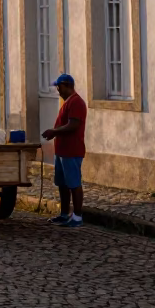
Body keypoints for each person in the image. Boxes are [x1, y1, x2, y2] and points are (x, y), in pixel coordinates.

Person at [41, 73, 87, 228]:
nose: (58, 90)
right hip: (62, 150)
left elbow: (73, 125)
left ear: (67, 85)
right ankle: (64, 214)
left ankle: (77, 216)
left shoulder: (77, 103)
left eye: (59, 87)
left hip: (72, 150)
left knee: (74, 183)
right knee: (63, 184)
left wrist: (54, 132)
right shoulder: (67, 102)